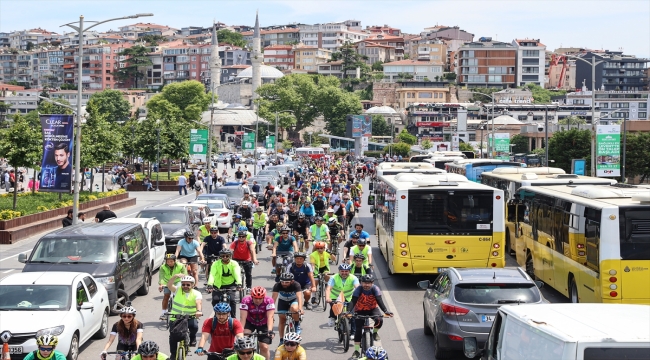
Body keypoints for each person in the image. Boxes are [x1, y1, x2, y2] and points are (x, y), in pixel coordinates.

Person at [350, 275, 393, 358]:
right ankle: (356, 351)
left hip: (372, 309)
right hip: (360, 310)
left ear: (372, 283)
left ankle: (375, 332)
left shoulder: (375, 289)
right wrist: (348, 311)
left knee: (379, 320)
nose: (366, 285)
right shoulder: (358, 289)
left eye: (368, 283)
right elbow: (353, 301)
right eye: (364, 283)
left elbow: (379, 300)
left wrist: (385, 311)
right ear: (361, 283)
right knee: (358, 330)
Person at [167, 275, 203, 358]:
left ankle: (192, 337)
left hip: (190, 317)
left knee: (194, 326)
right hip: (175, 317)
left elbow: (198, 303)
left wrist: (198, 311)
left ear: (193, 285)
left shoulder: (197, 293)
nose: (185, 286)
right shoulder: (177, 290)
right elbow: (169, 285)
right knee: (172, 336)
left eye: (188, 285)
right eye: (183, 284)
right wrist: (175, 276)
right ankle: (173, 354)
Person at [239, 286, 275, 360]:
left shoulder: (269, 301)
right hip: (250, 322)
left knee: (264, 347)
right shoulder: (245, 300)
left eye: (260, 298)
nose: (257, 300)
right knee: (244, 337)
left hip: (264, 323)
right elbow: (243, 317)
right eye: (255, 298)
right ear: (251, 297)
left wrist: (270, 330)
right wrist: (240, 331)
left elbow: (270, 317)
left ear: (264, 297)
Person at [207, 249, 242, 318]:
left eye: (227, 256)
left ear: (230, 256)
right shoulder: (215, 264)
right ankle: (216, 314)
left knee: (232, 300)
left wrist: (239, 284)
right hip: (218, 285)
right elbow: (212, 274)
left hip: (230, 284)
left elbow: (237, 274)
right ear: (220, 256)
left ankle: (233, 317)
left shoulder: (234, 263)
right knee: (215, 300)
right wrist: (210, 285)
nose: (225, 257)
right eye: (223, 256)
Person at [272, 273, 304, 342]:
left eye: (286, 282)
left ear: (292, 281)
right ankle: (281, 340)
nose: (284, 284)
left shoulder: (296, 284)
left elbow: (299, 297)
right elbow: (273, 299)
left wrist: (300, 308)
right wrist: (270, 311)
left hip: (293, 300)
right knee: (281, 319)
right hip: (282, 301)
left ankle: (296, 324)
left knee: (294, 309)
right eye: (282, 282)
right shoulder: (277, 285)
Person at [325, 263, 359, 328]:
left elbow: (357, 288)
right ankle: (333, 317)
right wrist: (327, 298)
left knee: (351, 313)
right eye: (342, 271)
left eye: (346, 271)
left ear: (349, 271)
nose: (344, 273)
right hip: (335, 297)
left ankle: (350, 328)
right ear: (339, 271)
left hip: (349, 297)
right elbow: (328, 288)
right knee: (335, 307)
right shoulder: (334, 277)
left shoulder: (353, 278)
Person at [159, 254, 188, 320]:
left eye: (171, 261)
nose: (169, 263)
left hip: (178, 282)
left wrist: (183, 279)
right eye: (167, 261)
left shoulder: (181, 266)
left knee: (179, 296)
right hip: (167, 282)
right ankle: (163, 313)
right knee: (166, 296)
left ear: (175, 261)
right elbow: (161, 277)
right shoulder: (162, 267)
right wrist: (161, 284)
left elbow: (185, 275)